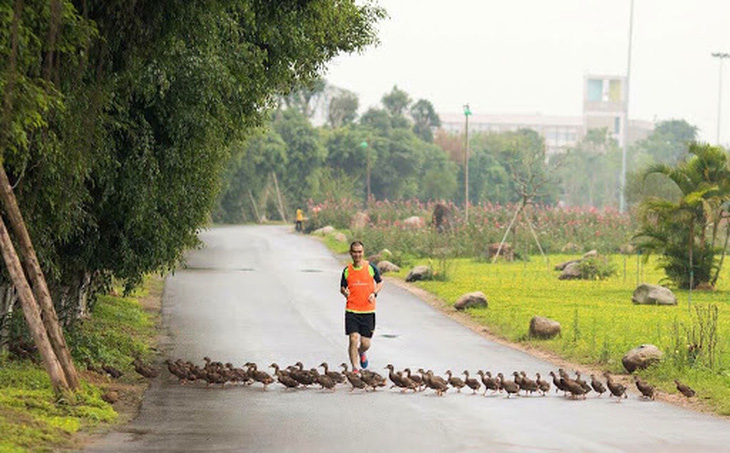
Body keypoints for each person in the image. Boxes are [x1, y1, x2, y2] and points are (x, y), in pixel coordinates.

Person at [340, 241, 383, 373]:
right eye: (355, 252)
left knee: (365, 343)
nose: (357, 255)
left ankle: (361, 352)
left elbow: (380, 282)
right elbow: (342, 287)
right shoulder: (347, 270)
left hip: (368, 311)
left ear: (363, 253)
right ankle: (355, 368)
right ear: (351, 253)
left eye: (360, 252)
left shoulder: (371, 267)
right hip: (352, 310)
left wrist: (374, 293)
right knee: (353, 338)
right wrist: (344, 292)